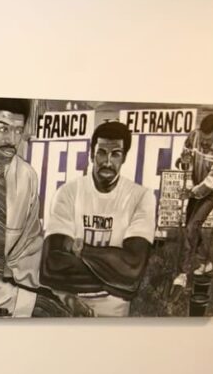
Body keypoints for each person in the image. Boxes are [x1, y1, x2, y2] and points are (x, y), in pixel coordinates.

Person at [0, 97, 86, 318]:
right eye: (4, 129)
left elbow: (27, 253)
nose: (12, 140)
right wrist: (32, 304)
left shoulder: (26, 176)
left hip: (2, 294)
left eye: (18, 131)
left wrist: (59, 293)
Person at [40, 119, 155, 317]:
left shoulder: (141, 196)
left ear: (124, 157)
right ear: (91, 153)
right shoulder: (68, 192)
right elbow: (50, 268)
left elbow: (132, 271)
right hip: (68, 304)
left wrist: (80, 249)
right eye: (101, 152)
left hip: (114, 310)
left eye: (115, 154)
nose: (108, 162)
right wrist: (116, 279)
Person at [172, 113, 213, 288]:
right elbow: (185, 154)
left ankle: (183, 273)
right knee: (191, 228)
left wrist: (190, 193)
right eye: (202, 138)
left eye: (208, 140)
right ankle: (205, 262)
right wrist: (184, 160)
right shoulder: (194, 135)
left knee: (192, 227)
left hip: (212, 192)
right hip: (196, 188)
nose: (204, 143)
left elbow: (211, 182)